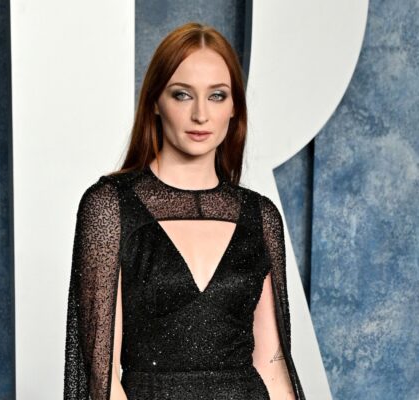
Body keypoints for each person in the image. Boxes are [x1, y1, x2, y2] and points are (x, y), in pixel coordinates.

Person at [63, 22, 306, 400]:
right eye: (182, 95)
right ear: (155, 102)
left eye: (217, 95)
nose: (200, 115)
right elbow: (102, 376)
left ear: (234, 108)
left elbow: (272, 367)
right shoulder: (111, 206)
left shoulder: (260, 216)